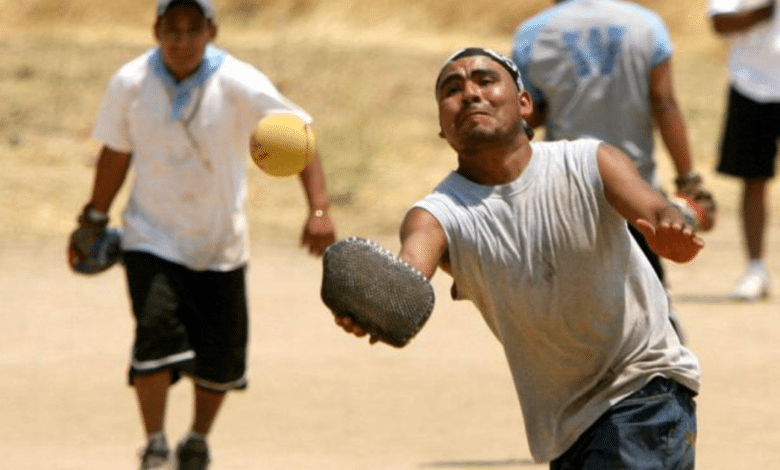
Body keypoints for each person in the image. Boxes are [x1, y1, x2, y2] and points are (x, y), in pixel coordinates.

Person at [335, 48, 701, 469]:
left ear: (525, 103)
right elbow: (407, 278)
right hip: (564, 426)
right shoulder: (438, 215)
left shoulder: (587, 162)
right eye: (452, 90)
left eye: (485, 80)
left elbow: (658, 212)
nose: (471, 94)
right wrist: (374, 308)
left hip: (643, 386)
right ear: (442, 127)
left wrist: (674, 233)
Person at [70, 1, 336, 469]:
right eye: (172, 30)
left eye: (193, 30)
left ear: (212, 32)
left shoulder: (238, 82)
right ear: (156, 30)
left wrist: (318, 209)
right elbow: (115, 151)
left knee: (221, 358)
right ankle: (154, 444)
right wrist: (94, 217)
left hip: (220, 243)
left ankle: (196, 440)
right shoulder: (131, 82)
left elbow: (298, 132)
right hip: (149, 236)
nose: (181, 41)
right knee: (154, 335)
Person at [511, 0, 708, 329]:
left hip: (566, 188)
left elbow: (528, 115)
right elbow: (663, 102)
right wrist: (688, 179)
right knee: (649, 297)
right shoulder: (646, 25)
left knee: (579, 303)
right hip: (637, 189)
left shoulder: (533, 33)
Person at [708, 0, 780, 300]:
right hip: (750, 85)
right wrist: (763, 11)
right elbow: (719, 23)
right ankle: (755, 269)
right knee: (753, 179)